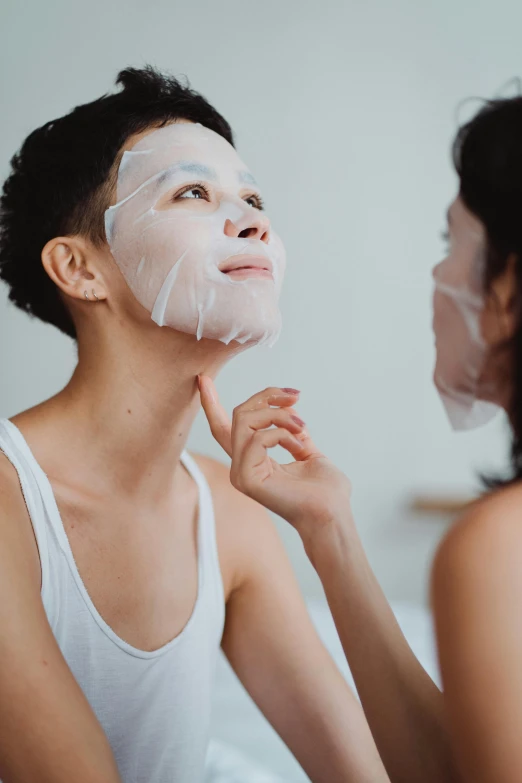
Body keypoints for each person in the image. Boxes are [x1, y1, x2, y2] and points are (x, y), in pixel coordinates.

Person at [0, 67, 389, 782]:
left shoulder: (230, 516)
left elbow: (366, 772)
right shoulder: (6, 503)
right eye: (193, 193)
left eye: (252, 198)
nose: (253, 221)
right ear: (80, 268)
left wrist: (330, 526)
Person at [199, 94, 522, 783]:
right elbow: (453, 767)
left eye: (451, 244)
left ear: (508, 290)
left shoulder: (498, 547)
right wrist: (330, 526)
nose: (250, 225)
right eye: (193, 193)